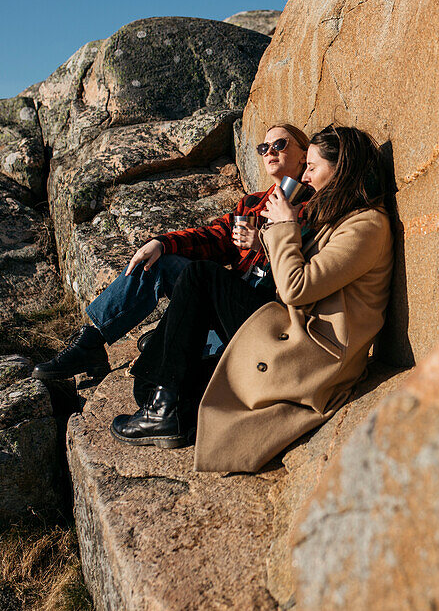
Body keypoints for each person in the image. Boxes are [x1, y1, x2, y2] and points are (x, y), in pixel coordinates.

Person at [110, 125, 394, 473]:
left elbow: (296, 288)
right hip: (291, 328)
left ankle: (165, 411)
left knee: (200, 276)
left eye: (313, 167)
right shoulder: (338, 218)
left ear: (342, 169)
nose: (305, 174)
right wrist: (266, 240)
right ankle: (166, 405)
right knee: (150, 385)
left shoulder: (366, 226)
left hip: (310, 354)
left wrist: (283, 227)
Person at [31, 124, 310, 381]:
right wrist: (162, 243)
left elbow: (308, 261)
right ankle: (91, 341)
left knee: (162, 335)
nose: (270, 151)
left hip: (263, 310)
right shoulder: (251, 204)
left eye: (280, 144)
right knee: (158, 262)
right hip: (228, 293)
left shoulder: (312, 206)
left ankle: (182, 338)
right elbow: (214, 238)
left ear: (303, 156)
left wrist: (264, 242)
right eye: (264, 147)